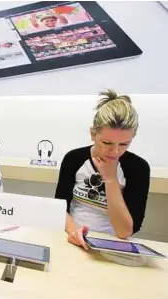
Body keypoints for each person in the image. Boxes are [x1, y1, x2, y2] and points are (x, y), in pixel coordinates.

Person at [55, 90, 150, 250]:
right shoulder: (74, 158)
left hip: (114, 245)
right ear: (93, 134)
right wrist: (74, 232)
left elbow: (125, 231)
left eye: (124, 144)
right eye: (107, 143)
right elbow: (59, 208)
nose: (115, 152)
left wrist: (111, 180)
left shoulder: (138, 168)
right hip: (73, 238)